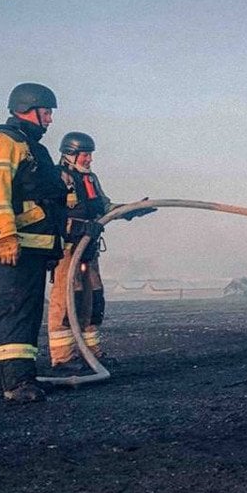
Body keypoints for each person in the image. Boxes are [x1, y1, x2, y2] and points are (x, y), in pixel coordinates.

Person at [0, 83, 68, 402]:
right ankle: (16, 383)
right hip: (14, 244)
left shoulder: (31, 146)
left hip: (33, 245)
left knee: (21, 310)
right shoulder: (3, 141)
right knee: (18, 309)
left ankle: (15, 377)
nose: (50, 120)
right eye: (47, 112)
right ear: (28, 109)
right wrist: (7, 235)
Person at [46, 131, 154, 372]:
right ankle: (63, 357)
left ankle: (90, 353)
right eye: (85, 155)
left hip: (88, 250)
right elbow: (51, 215)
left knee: (92, 298)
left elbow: (105, 207)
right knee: (66, 299)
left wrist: (133, 209)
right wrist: (80, 227)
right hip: (67, 250)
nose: (89, 159)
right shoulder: (56, 178)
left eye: (90, 155)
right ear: (69, 155)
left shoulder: (90, 180)